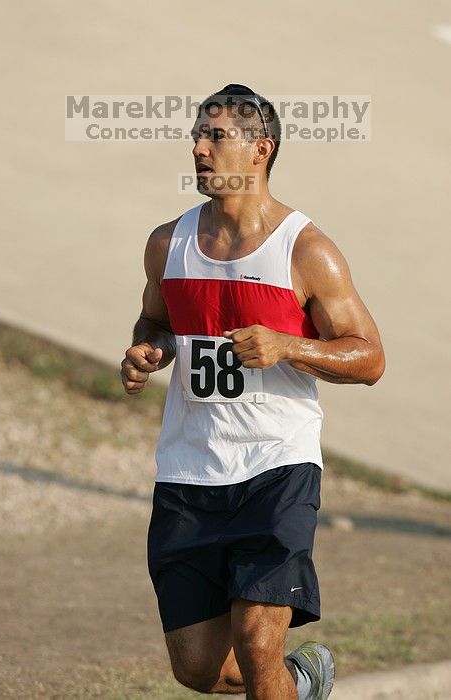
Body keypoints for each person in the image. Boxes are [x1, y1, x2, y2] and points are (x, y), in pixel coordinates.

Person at [120, 84, 385, 699]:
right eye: (197, 135)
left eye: (216, 136)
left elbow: (369, 357)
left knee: (258, 641)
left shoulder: (307, 251)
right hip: (189, 470)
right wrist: (146, 351)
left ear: (260, 149)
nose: (198, 148)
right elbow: (154, 320)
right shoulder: (169, 244)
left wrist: (290, 346)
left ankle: (279, 672)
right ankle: (302, 681)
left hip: (276, 466)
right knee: (198, 668)